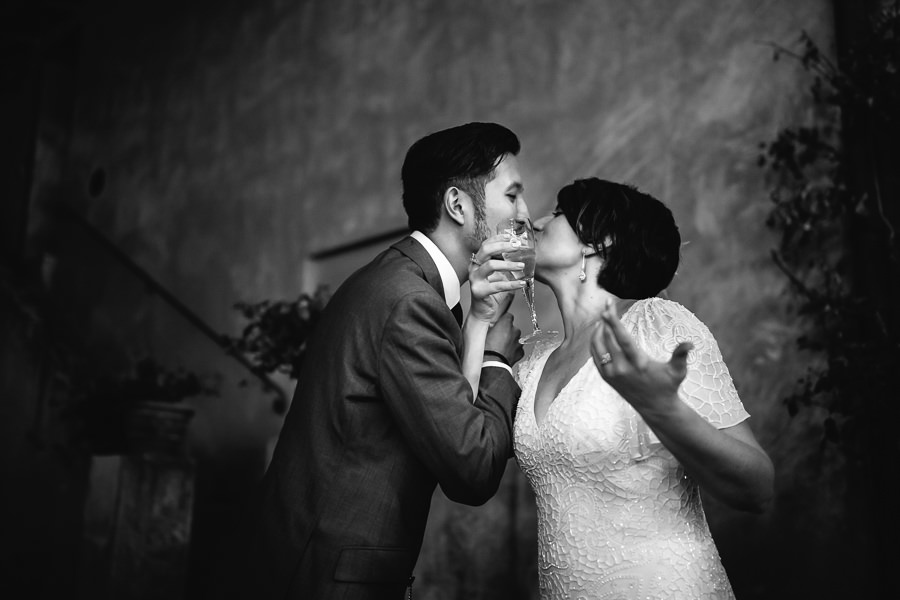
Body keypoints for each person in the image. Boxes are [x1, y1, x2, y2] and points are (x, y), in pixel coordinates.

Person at [244, 122, 531, 599]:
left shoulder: (400, 282)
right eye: (513, 195)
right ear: (458, 205)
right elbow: (472, 467)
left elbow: (449, 421)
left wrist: (478, 321)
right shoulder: (409, 302)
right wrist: (499, 357)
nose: (525, 214)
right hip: (325, 578)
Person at [512, 178, 774, 599]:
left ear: (599, 241)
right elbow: (464, 454)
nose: (538, 220)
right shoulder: (534, 359)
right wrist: (481, 321)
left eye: (559, 212)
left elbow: (757, 488)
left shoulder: (657, 326)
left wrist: (662, 408)